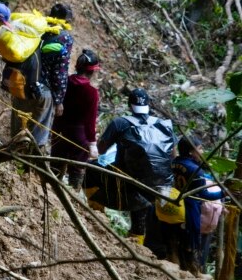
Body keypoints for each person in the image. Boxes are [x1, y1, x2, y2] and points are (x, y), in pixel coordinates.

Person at [89, 87, 177, 245]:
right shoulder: (163, 125)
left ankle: (95, 217)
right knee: (139, 218)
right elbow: (173, 155)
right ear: (149, 105)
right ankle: (136, 243)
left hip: (123, 179)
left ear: (130, 106)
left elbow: (100, 151)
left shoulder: (120, 123)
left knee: (90, 170)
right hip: (158, 184)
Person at [0, 1, 54, 147]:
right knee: (36, 136)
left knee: (17, 129)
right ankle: (28, 160)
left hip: (19, 91)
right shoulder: (31, 41)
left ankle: (16, 154)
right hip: (35, 91)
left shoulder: (18, 44)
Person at [173, 136, 225, 272]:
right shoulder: (196, 171)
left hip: (175, 204)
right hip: (191, 208)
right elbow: (205, 196)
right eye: (200, 148)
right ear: (191, 151)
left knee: (177, 240)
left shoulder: (175, 162)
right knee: (192, 241)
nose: (203, 151)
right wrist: (223, 193)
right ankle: (192, 270)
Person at [51, 49, 101, 187]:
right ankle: (73, 193)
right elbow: (90, 122)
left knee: (55, 163)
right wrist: (92, 144)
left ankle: (51, 189)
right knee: (77, 170)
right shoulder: (91, 92)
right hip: (79, 136)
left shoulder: (65, 81)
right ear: (93, 71)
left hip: (58, 129)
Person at [42, 3, 75, 118]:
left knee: (18, 130)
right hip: (43, 92)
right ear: (65, 20)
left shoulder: (39, 29)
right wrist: (59, 100)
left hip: (24, 84)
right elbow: (60, 71)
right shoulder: (64, 38)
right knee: (38, 134)